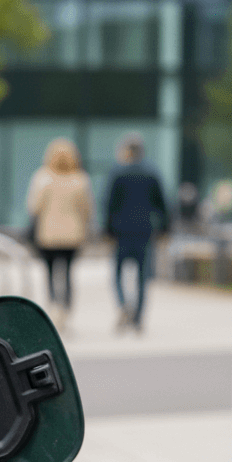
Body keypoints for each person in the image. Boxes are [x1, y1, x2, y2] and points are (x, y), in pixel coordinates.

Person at [103, 132, 169, 332]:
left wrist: (107, 230)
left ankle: (123, 305)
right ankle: (138, 317)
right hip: (144, 231)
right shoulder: (152, 173)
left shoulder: (118, 173)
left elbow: (109, 205)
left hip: (121, 231)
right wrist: (165, 228)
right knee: (142, 276)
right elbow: (162, 204)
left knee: (117, 274)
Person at [26, 138, 93, 329]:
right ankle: (66, 310)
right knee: (68, 274)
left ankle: (54, 307)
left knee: (50, 273)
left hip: (48, 234)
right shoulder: (80, 179)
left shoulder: (42, 178)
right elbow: (87, 210)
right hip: (73, 234)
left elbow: (33, 207)